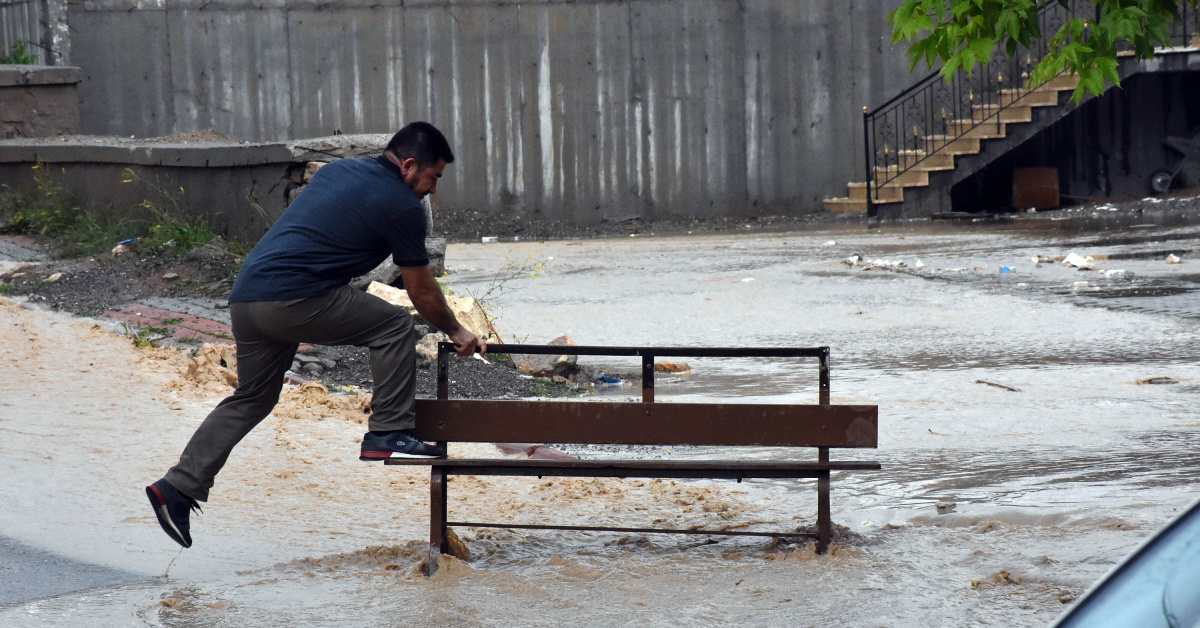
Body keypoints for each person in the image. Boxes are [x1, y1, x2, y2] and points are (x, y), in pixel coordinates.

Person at [146, 121, 485, 549]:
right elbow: (420, 289)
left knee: (252, 398)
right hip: (293, 298)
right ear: (410, 165)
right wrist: (456, 330)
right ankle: (386, 430)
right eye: (433, 178)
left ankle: (177, 487)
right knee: (395, 326)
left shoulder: (340, 172)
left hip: (247, 298)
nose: (432, 191)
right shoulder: (402, 205)